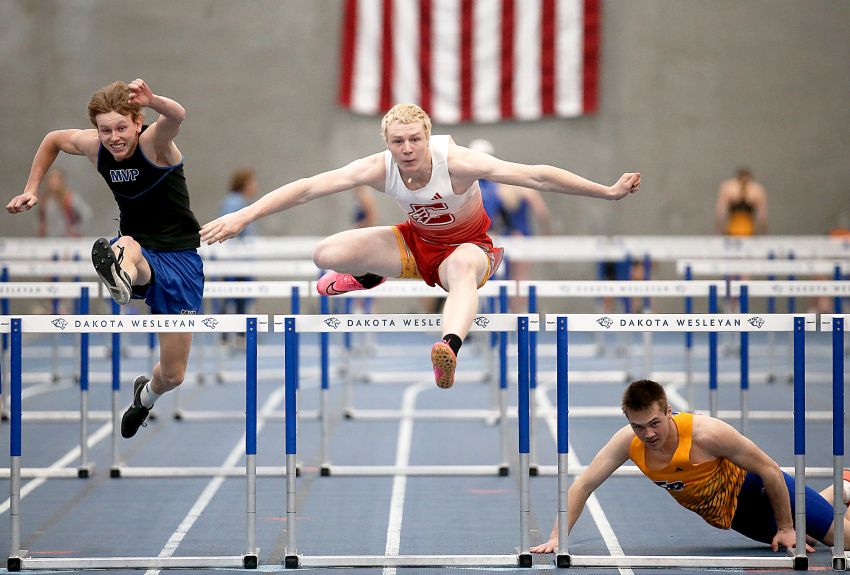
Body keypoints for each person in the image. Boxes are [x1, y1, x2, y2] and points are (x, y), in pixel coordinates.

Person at [200, 103, 639, 389]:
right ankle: (369, 274)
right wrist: (244, 216)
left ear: (428, 137)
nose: (407, 149)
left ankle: (448, 347)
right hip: (416, 245)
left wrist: (606, 191)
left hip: (469, 247)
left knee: (463, 271)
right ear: (386, 144)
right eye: (398, 142)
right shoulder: (380, 167)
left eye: (414, 140)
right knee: (325, 255)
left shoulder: (461, 163)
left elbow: (537, 176)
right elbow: (309, 188)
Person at [6, 78, 203, 439]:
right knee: (128, 244)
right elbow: (52, 140)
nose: (114, 137)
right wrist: (31, 189)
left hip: (181, 258)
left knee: (173, 375)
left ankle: (145, 396)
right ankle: (121, 276)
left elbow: (177, 116)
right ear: (96, 129)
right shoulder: (94, 148)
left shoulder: (153, 143)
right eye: (105, 129)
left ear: (137, 123)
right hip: (139, 249)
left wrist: (154, 99)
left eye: (121, 128)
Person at [530, 379, 850, 555]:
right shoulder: (627, 441)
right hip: (732, 515)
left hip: (761, 488)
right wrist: (559, 537)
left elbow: (768, 469)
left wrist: (785, 527)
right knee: (814, 532)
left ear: (669, 411)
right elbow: (583, 485)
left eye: (655, 423)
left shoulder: (708, 433)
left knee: (841, 541)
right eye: (639, 426)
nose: (649, 434)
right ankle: (844, 487)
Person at [469, 139, 553, 312]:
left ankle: (505, 315)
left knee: (491, 278)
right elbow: (542, 212)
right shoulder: (505, 186)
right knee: (517, 279)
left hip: (498, 237)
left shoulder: (488, 186)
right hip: (516, 236)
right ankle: (515, 315)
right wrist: (547, 235)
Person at [218, 168, 260, 323]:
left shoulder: (240, 202)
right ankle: (232, 333)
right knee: (234, 297)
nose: (255, 186)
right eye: (252, 182)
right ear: (244, 184)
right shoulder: (234, 202)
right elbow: (228, 229)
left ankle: (238, 333)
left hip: (241, 258)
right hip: (234, 259)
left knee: (239, 297)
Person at [37, 168, 93, 238]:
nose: (53, 181)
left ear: (62, 180)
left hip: (69, 241)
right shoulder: (45, 200)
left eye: (57, 178)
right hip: (50, 241)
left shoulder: (71, 198)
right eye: (51, 178)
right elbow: (41, 220)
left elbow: (86, 215)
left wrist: (76, 230)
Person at [715, 166, 768, 237]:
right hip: (734, 229)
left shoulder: (756, 190)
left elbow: (762, 216)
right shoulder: (729, 188)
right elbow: (721, 213)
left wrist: (762, 232)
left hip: (748, 230)